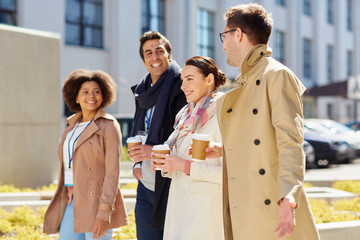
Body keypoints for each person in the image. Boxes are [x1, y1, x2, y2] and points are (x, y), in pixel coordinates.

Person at [210, 3, 320, 240]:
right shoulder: (246, 81)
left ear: (238, 34)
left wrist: (288, 195)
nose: (223, 44)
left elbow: (290, 141)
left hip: (268, 205)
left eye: (225, 35)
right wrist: (222, 150)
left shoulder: (276, 75)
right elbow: (256, 142)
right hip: (246, 202)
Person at [43, 69, 128, 240]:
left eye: (97, 92)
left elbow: (113, 173)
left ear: (104, 96)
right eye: (85, 92)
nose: (92, 96)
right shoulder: (70, 127)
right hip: (71, 200)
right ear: (76, 97)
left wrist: (104, 213)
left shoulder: (109, 126)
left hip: (96, 202)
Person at [151, 56, 226, 240]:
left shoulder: (225, 112)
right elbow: (179, 158)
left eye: (190, 79)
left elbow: (231, 174)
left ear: (209, 79)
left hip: (205, 212)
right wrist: (166, 164)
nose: (183, 86)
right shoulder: (185, 113)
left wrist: (184, 166)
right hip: (179, 207)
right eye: (182, 80)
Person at [128, 31, 187, 240]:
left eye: (159, 51)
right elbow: (138, 130)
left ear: (169, 55)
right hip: (145, 185)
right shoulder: (142, 92)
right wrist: (136, 166)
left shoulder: (183, 88)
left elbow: (186, 141)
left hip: (171, 185)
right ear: (144, 60)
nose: (155, 57)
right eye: (148, 53)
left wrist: (151, 150)